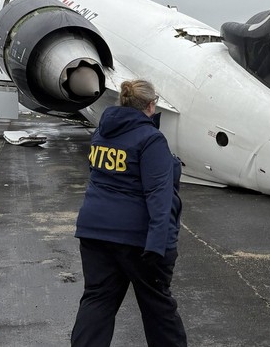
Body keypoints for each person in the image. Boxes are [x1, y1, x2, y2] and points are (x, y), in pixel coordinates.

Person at [71, 79, 186, 346]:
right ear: (150, 105)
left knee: (98, 301)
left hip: (94, 232)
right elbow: (159, 195)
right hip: (136, 240)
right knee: (159, 310)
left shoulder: (102, 133)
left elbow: (98, 177)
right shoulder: (151, 139)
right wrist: (160, 246)